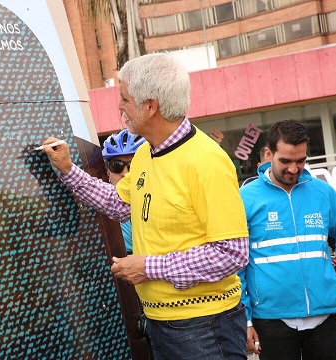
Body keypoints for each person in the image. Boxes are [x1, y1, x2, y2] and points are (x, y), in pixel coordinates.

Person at [41, 52, 250, 359]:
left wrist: (148, 267)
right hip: (161, 324)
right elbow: (117, 202)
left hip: (204, 328)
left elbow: (231, 252)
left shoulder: (207, 162)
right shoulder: (145, 155)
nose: (120, 106)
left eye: (125, 98)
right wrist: (68, 169)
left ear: (150, 106)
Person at [239, 120, 336, 360]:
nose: (294, 169)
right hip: (271, 321)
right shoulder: (245, 199)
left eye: (301, 161)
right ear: (269, 154)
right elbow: (236, 265)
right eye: (285, 161)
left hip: (326, 318)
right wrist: (244, 320)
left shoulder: (322, 192)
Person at [102, 129, 146, 254]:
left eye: (132, 166)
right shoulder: (99, 204)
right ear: (108, 172)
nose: (125, 173)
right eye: (117, 166)